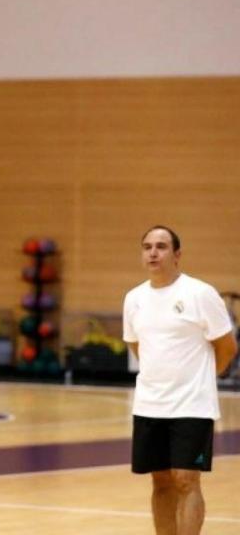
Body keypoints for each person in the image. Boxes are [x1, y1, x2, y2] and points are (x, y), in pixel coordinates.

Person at [124, 225, 237, 535]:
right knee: (160, 482)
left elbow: (227, 347)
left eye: (161, 246)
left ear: (177, 254)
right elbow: (137, 346)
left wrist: (201, 379)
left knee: (186, 479)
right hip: (150, 405)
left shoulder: (200, 293)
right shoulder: (133, 299)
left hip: (192, 406)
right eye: (147, 246)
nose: (153, 252)